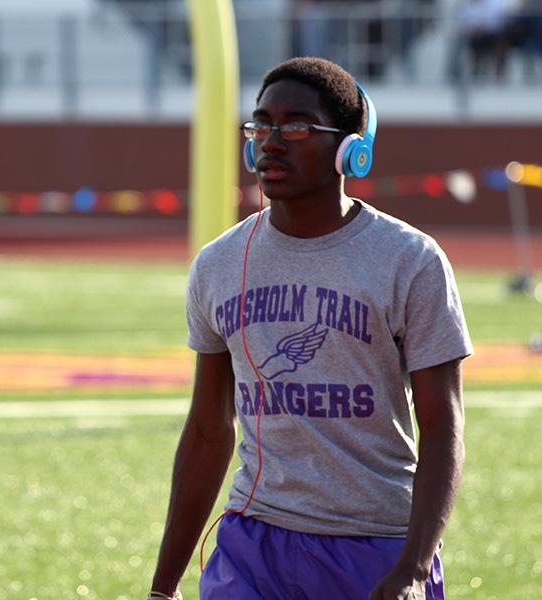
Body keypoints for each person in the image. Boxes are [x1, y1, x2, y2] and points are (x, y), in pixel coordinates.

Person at [148, 57, 472, 600]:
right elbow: (208, 429)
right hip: (253, 542)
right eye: (261, 125)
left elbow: (443, 426)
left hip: (373, 543)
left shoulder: (410, 260)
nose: (271, 142)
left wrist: (414, 567)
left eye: (297, 126)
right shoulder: (218, 264)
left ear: (351, 149)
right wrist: (163, 587)